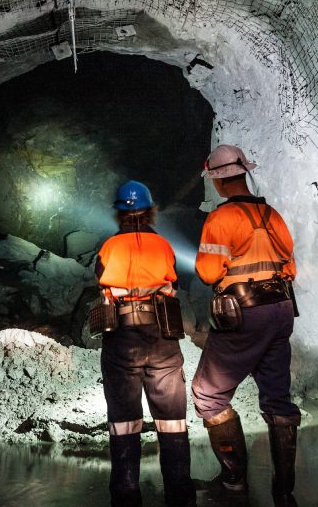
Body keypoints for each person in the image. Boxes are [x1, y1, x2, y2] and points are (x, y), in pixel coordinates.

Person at [191, 145, 302, 507]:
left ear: (219, 182)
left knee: (208, 393)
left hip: (243, 311)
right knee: (277, 397)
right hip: (281, 308)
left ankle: (234, 482)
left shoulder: (220, 219)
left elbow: (208, 272)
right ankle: (284, 491)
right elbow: (291, 268)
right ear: (244, 173)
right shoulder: (273, 215)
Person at [94, 180, 196, 507]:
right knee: (172, 421)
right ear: (150, 210)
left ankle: (125, 496)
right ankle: (180, 497)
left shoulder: (108, 248)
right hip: (162, 335)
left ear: (120, 214)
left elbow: (100, 282)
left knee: (124, 421)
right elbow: (174, 284)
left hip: (122, 336)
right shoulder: (164, 246)